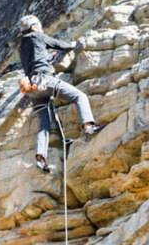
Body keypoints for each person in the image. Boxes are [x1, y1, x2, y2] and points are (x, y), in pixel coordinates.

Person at [18, 14, 101, 172]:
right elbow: (60, 44)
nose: (40, 28)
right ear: (34, 26)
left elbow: (36, 60)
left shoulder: (22, 46)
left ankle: (41, 157)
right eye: (39, 25)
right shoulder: (37, 36)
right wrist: (73, 45)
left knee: (44, 124)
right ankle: (88, 125)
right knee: (79, 96)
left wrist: (49, 59)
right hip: (45, 81)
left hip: (33, 90)